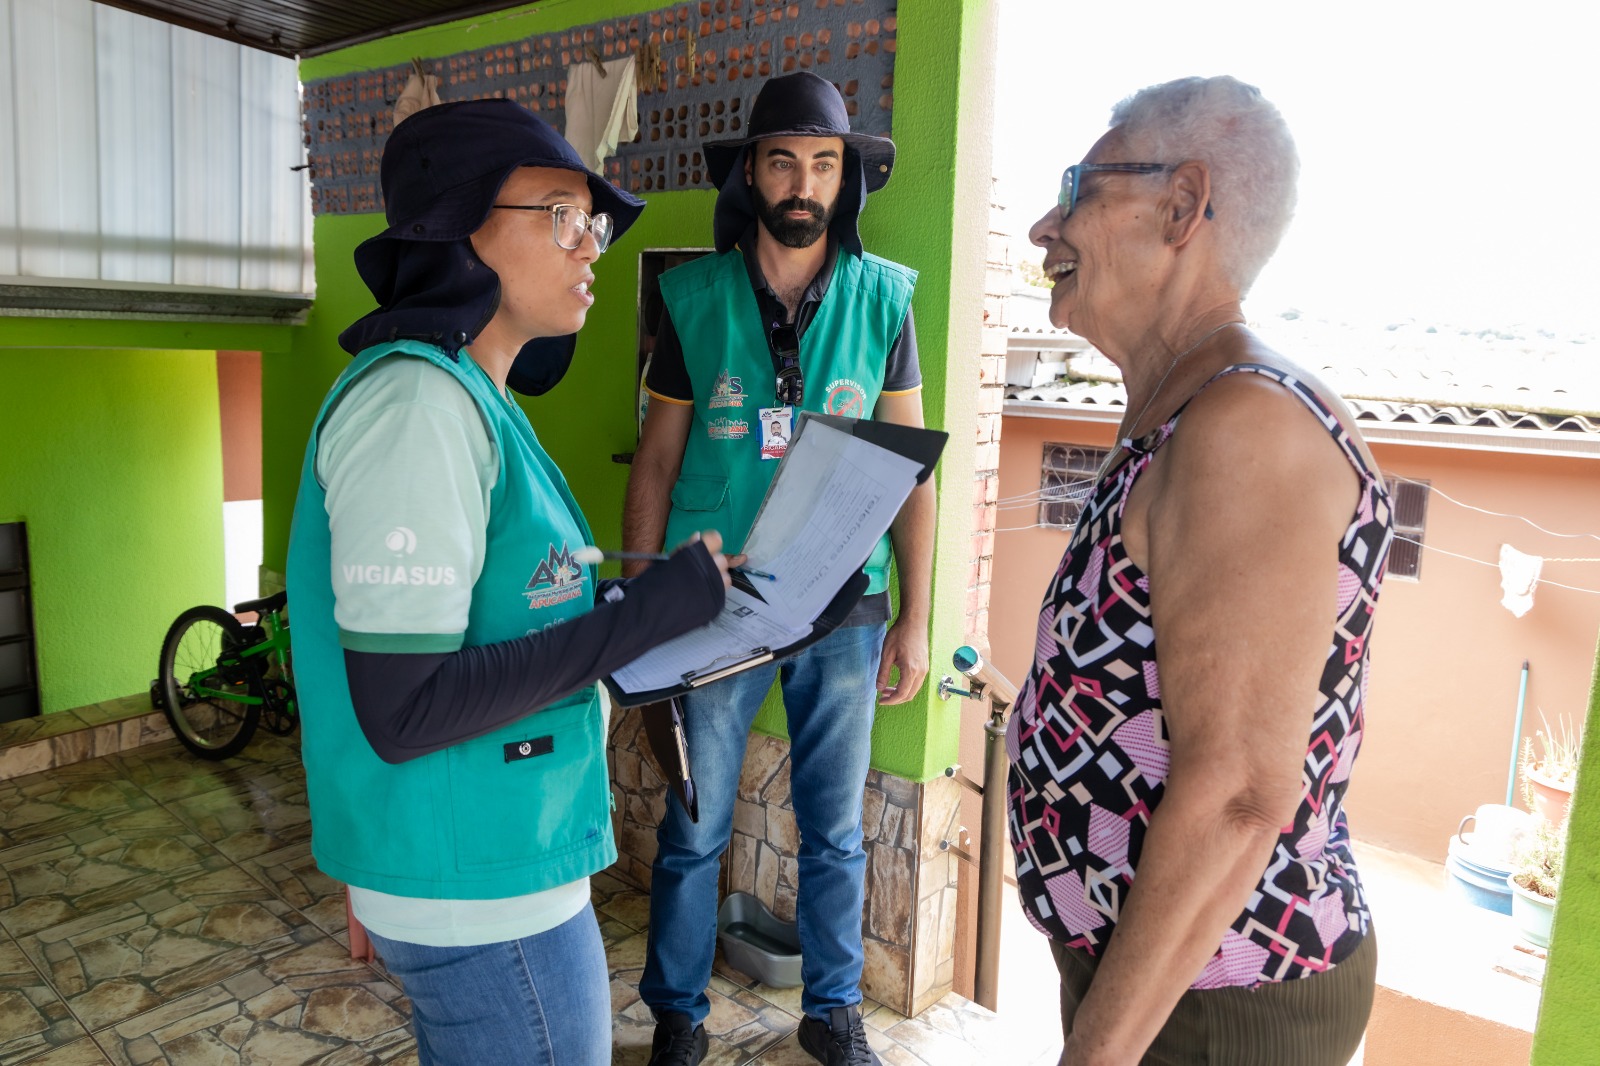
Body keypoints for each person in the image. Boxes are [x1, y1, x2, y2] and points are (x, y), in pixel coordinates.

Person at [285, 99, 736, 1066]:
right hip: (476, 889)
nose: (591, 247)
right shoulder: (416, 405)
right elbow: (403, 710)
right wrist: (640, 619)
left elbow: (504, 618)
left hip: (478, 867)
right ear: (461, 230)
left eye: (595, 223)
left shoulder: (472, 396)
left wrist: (627, 613)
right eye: (561, 214)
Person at [1006, 76, 1387, 1066]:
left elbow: (1235, 797)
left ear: (1181, 206)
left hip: (1211, 998)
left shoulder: (1243, 425)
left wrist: (1095, 1053)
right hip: (1160, 975)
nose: (1047, 223)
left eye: (1078, 187)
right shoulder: (1179, 410)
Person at [623, 72, 936, 1066]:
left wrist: (917, 616)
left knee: (835, 832)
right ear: (751, 176)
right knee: (694, 825)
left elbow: (910, 478)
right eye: (782, 161)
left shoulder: (885, 300)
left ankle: (832, 1013)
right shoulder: (692, 298)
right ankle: (678, 1014)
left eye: (823, 164)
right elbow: (658, 463)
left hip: (847, 608)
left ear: (846, 180)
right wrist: (639, 598)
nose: (803, 182)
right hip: (716, 605)